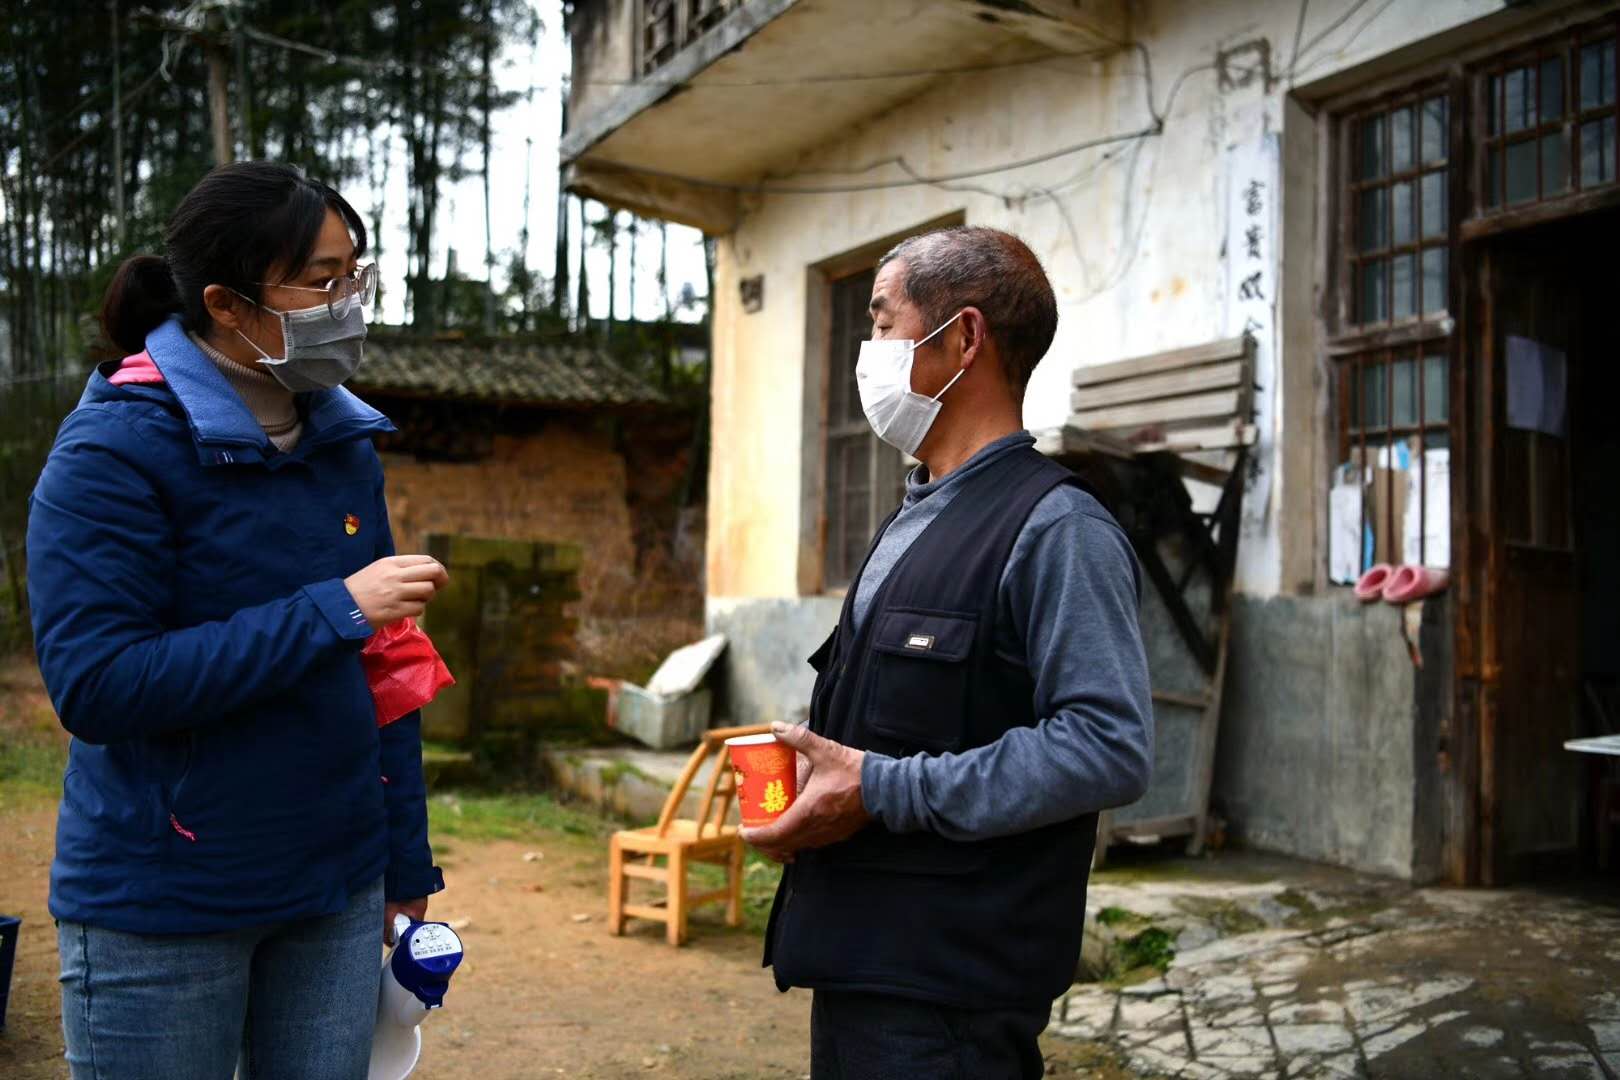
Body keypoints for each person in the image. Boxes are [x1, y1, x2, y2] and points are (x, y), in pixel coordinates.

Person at [26, 162, 448, 1079]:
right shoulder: (114, 449)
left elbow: (389, 670)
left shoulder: (342, 443)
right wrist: (335, 609)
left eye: (355, 275)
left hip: (333, 888)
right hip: (167, 900)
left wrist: (404, 862)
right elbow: (98, 686)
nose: (348, 303)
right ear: (225, 303)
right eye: (322, 281)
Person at [742, 226, 1154, 1080]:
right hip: (862, 957)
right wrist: (822, 789)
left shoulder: (1058, 529)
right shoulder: (915, 515)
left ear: (964, 338)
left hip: (951, 994)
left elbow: (1107, 746)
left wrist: (879, 788)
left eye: (881, 323)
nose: (868, 354)